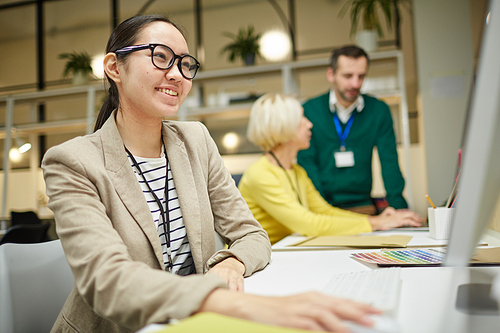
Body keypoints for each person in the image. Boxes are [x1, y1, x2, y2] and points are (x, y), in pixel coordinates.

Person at [42, 15, 380, 333]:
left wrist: (232, 263)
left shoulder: (196, 141)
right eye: (160, 57)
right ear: (115, 67)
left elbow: (252, 236)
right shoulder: (72, 161)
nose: (177, 74)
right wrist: (228, 302)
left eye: (185, 64)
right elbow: (107, 282)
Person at [238, 93, 423, 244]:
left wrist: (379, 220)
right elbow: (309, 224)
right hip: (256, 264)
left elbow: (325, 212)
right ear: (283, 127)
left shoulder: (296, 171)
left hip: (283, 252)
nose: (309, 124)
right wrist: (377, 222)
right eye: (302, 118)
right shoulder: (260, 175)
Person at [297, 45, 422, 221]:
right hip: (322, 209)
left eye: (361, 76)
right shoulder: (309, 110)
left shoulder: (378, 110)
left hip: (363, 207)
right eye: (348, 76)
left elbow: (389, 161)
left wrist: (398, 208)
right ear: (331, 74)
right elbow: (307, 164)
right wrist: (323, 210)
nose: (355, 84)